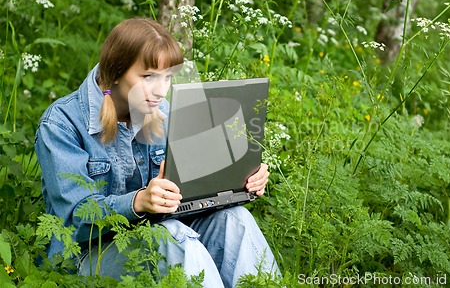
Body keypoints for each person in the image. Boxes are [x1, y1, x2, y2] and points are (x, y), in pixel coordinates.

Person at [34, 17, 280, 287]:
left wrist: (242, 180)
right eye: (148, 76)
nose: (161, 91)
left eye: (168, 78)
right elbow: (73, 218)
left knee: (236, 221)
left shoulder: (163, 113)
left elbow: (193, 191)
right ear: (116, 72)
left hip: (158, 236)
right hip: (85, 257)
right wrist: (138, 201)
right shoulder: (62, 123)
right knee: (170, 236)